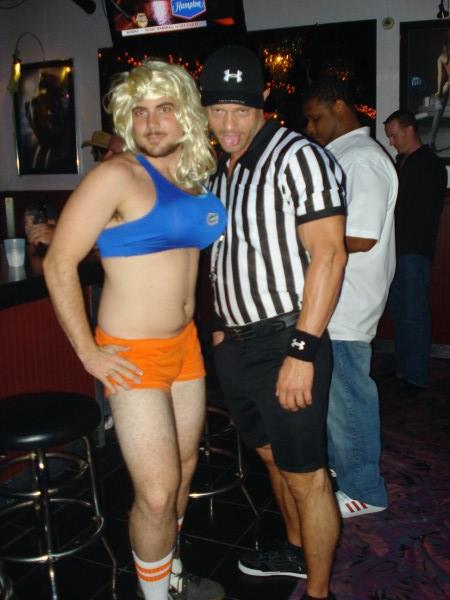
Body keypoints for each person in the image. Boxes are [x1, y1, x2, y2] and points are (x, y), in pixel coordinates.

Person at [43, 58, 227, 600]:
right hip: (131, 353)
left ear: (185, 114)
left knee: (184, 471)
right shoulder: (116, 176)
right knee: (157, 491)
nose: (151, 123)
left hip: (185, 345)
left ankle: (168, 570)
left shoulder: (194, 176)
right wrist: (89, 354)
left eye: (163, 109)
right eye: (140, 111)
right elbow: (58, 263)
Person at [200, 46, 347, 600]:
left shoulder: (297, 157)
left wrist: (301, 351)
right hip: (235, 345)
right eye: (218, 110)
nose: (229, 124)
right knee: (270, 459)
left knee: (307, 476)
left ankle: (319, 593)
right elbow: (228, 253)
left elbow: (330, 256)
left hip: (287, 339)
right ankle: (293, 548)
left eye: (240, 109)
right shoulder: (222, 170)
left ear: (263, 99)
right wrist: (221, 327)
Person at [303, 77, 398, 519]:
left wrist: (301, 237)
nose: (310, 128)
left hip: (349, 298)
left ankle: (365, 490)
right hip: (335, 295)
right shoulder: (346, 156)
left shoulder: (362, 159)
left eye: (315, 118)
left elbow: (360, 236)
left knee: (349, 396)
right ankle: (347, 470)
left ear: (340, 107)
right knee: (336, 398)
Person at [384, 110, 447, 393]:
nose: (391, 142)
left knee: (413, 313)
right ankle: (405, 370)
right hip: (397, 249)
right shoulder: (402, 162)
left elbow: (420, 212)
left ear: (410, 130)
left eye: (394, 135)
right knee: (401, 312)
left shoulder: (429, 164)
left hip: (414, 250)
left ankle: (416, 376)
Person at [430, 41, 450, 152]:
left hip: (447, 85)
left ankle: (432, 142)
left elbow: (440, 76)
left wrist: (439, 92)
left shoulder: (442, 58)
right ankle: (431, 142)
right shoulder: (442, 58)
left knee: (438, 113)